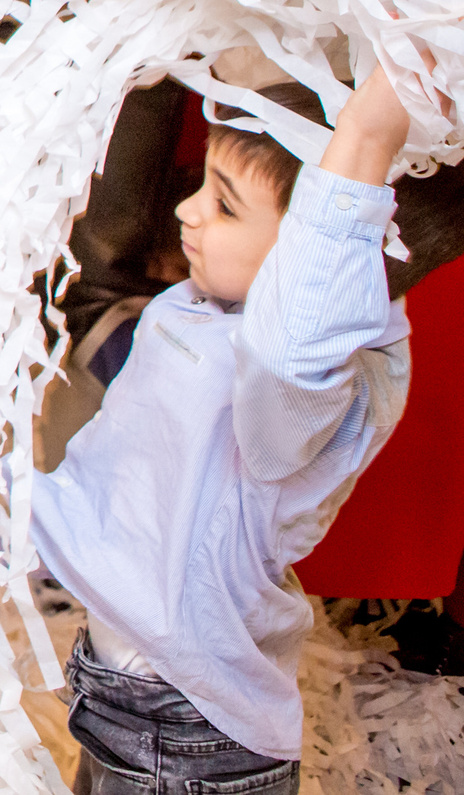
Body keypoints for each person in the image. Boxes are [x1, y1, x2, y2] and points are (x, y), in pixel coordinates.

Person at [30, 66, 433, 793]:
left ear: (312, 257)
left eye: (223, 203)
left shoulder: (311, 379)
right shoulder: (198, 305)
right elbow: (121, 472)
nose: (186, 210)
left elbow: (293, 344)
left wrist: (367, 140)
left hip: (186, 728)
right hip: (120, 687)